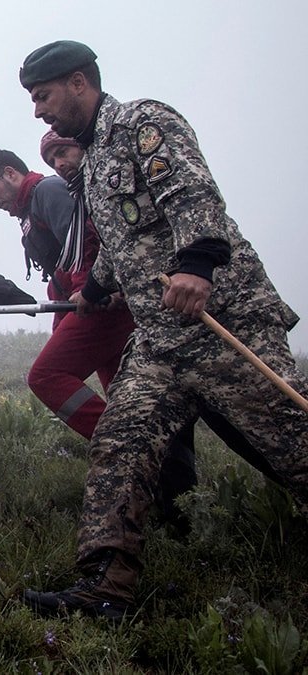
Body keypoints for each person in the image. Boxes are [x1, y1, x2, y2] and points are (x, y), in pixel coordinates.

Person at [17, 39, 308, 620]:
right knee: (120, 444)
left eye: (43, 96)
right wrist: (94, 291)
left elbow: (193, 196)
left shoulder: (143, 123)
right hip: (159, 342)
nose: (38, 111)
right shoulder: (94, 161)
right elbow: (126, 240)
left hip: (220, 322)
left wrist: (197, 264)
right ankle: (106, 588)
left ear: (80, 83)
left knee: (290, 443)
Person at [0, 147, 198, 523]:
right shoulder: (31, 210)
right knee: (123, 395)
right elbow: (63, 263)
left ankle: (126, 452)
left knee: (45, 376)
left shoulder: (47, 192)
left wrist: (88, 289)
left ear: (10, 174)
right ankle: (169, 488)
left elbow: (85, 238)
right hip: (92, 302)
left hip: (103, 303)